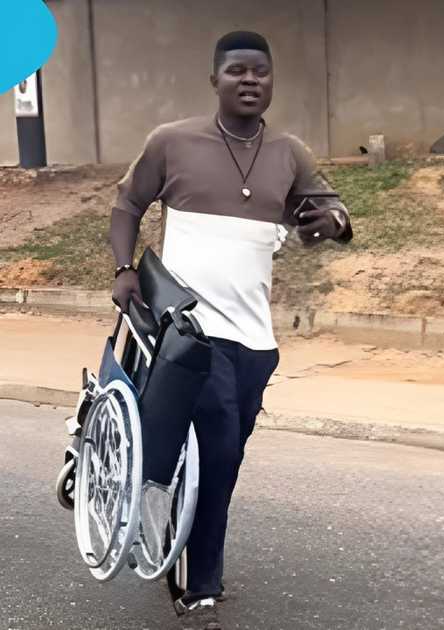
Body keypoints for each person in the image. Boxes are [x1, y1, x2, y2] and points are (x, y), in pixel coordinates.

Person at [109, 31, 352, 630]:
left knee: (226, 457)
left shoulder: (289, 153)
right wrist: (123, 269)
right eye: (237, 71)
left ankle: (178, 535)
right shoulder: (171, 143)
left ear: (271, 82)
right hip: (189, 326)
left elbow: (333, 213)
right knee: (217, 440)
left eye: (261, 73)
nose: (250, 81)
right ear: (214, 79)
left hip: (255, 339)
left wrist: (332, 222)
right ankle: (201, 584)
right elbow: (126, 206)